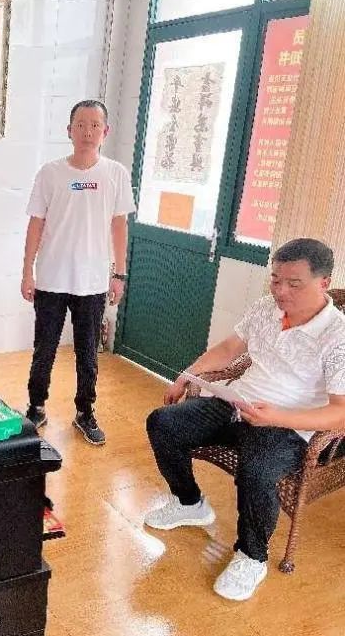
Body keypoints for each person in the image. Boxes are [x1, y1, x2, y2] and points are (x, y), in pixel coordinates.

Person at [143, 238, 345, 601]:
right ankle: (190, 504)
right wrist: (187, 375)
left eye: (293, 283)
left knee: (257, 469)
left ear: (324, 282)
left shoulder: (338, 336)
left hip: (289, 426)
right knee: (163, 423)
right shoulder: (267, 307)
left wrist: (277, 417)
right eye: (275, 280)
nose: (280, 291)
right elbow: (228, 349)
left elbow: (340, 411)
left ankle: (252, 556)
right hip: (237, 402)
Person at [21, 99, 136, 444]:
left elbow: (119, 226)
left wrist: (119, 274)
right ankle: (36, 406)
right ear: (69, 130)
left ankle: (85, 412)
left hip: (93, 281)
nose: (88, 132)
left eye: (95, 125)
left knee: (88, 353)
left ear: (105, 131)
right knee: (44, 349)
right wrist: (27, 271)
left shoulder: (115, 173)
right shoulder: (50, 173)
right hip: (52, 278)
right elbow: (36, 224)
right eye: (81, 125)